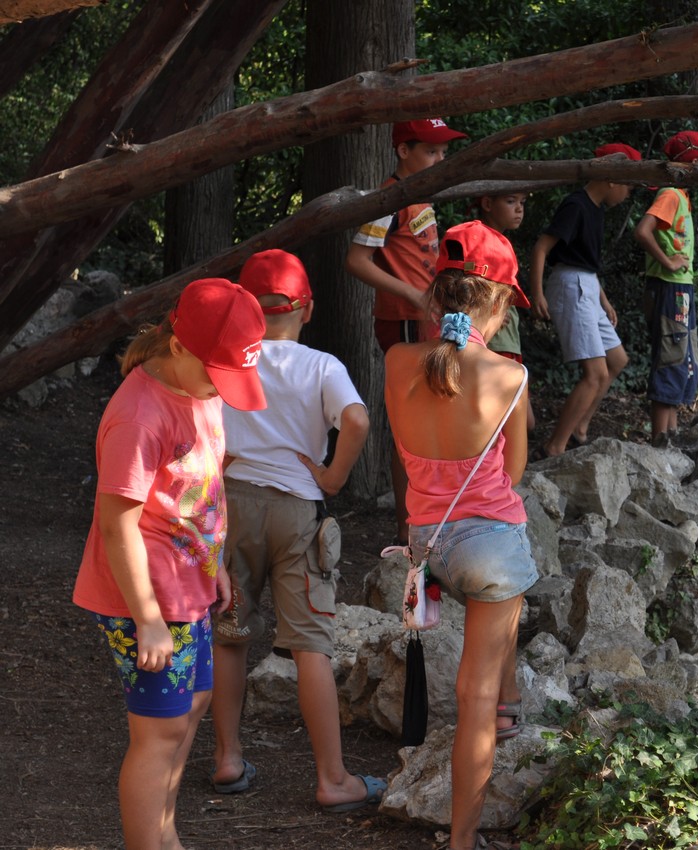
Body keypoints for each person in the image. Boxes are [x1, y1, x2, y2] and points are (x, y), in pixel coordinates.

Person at [72, 278, 266, 850]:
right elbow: (116, 525)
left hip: (188, 587)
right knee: (159, 735)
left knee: (191, 709)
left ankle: (165, 835)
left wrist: (215, 563)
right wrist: (148, 618)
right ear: (179, 346)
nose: (223, 389)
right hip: (148, 600)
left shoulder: (199, 388)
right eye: (218, 374)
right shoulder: (139, 416)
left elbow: (199, 492)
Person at [208, 249, 382, 812]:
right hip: (296, 513)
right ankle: (332, 779)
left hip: (233, 508)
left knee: (230, 633)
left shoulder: (226, 360)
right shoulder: (323, 366)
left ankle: (228, 758)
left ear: (245, 309)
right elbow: (356, 419)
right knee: (310, 645)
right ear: (306, 308)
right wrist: (333, 477)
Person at [384, 220, 536, 850]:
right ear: (498, 304)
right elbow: (513, 473)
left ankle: (508, 698)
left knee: (488, 653)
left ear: (435, 294)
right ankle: (463, 841)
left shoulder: (397, 362)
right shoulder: (510, 376)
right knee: (475, 696)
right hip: (489, 548)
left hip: (427, 542)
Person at [345, 116, 468, 546]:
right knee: (411, 423)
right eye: (431, 151)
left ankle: (424, 518)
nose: (440, 159)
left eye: (443, 151)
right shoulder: (388, 200)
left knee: (430, 415)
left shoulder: (420, 195)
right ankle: (408, 527)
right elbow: (356, 261)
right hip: (402, 321)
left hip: (424, 318)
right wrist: (414, 296)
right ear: (403, 151)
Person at [527, 142, 640, 457]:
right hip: (570, 286)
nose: (628, 194)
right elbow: (541, 248)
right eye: (629, 185)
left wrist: (604, 300)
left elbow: (586, 262)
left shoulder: (596, 209)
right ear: (613, 179)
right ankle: (555, 446)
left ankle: (580, 427)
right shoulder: (576, 205)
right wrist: (537, 293)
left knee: (616, 360)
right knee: (595, 373)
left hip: (587, 284)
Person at [633, 130, 698, 442]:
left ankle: (670, 436)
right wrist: (668, 262)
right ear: (691, 163)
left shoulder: (681, 196)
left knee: (682, 358)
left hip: (680, 289)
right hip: (668, 288)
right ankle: (660, 441)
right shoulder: (671, 194)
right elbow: (643, 230)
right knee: (670, 357)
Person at [476, 190, 537, 430]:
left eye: (522, 202)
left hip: (508, 342)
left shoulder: (499, 240)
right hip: (494, 342)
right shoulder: (478, 240)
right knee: (511, 422)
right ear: (487, 203)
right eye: (511, 201)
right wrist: (486, 314)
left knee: (518, 421)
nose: (519, 209)